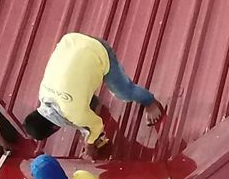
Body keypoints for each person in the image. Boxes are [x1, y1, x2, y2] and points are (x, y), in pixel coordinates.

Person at [21, 33, 164, 150]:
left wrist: (90, 145)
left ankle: (150, 102)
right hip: (72, 41)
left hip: (99, 51)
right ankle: (91, 101)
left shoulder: (75, 114)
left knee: (125, 92)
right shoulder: (43, 95)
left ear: (54, 127)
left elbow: (97, 125)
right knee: (75, 94)